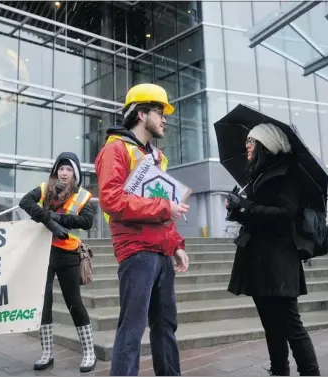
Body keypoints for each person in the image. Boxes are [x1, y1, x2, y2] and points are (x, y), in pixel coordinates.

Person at [94, 83, 190, 376]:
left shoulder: (157, 157)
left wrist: (176, 244)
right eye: (160, 112)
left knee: (165, 327)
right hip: (136, 252)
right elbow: (111, 200)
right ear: (140, 113)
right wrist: (164, 207)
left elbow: (164, 203)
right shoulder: (115, 149)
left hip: (160, 251)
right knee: (132, 329)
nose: (164, 119)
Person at [224, 123, 321, 376]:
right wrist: (236, 208)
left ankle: (310, 372)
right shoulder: (256, 175)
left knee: (291, 325)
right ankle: (279, 370)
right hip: (257, 259)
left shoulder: (287, 173)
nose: (246, 146)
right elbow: (257, 214)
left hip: (279, 260)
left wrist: (245, 207)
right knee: (270, 325)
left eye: (251, 142)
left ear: (265, 145)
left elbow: (285, 214)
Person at [18, 152, 97, 373]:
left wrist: (58, 219)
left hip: (68, 254)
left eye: (69, 169)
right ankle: (47, 353)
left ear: (75, 173)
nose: (64, 173)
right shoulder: (45, 189)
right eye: (61, 168)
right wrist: (49, 220)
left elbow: (87, 221)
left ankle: (89, 352)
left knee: (74, 302)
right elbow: (24, 201)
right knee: (44, 303)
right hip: (43, 251)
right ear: (56, 170)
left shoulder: (81, 196)